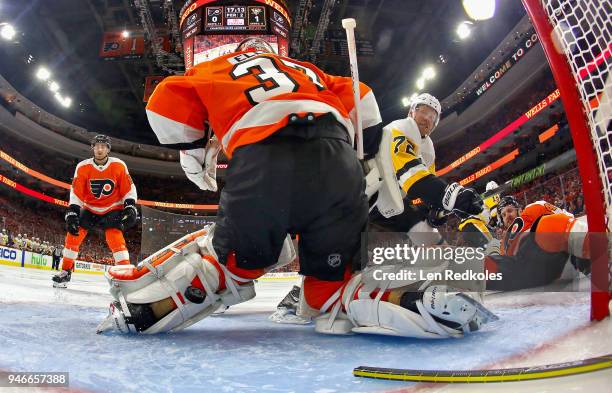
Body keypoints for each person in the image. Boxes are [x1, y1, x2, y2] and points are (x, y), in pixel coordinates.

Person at [98, 37, 494, 338]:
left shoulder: (216, 66)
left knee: (233, 267)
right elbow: (367, 108)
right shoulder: (308, 70)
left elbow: (163, 104)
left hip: (265, 160)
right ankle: (412, 300)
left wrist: (195, 149)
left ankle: (137, 313)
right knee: (330, 293)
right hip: (339, 166)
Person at [52, 135, 138, 288]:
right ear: (92, 148)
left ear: (108, 149)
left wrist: (130, 206)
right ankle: (65, 271)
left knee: (114, 236)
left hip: (113, 207)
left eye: (103, 146)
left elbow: (128, 188)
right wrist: (72, 212)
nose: (99, 149)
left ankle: (124, 274)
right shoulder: (83, 166)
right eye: (97, 146)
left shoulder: (119, 165)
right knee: (73, 235)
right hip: (90, 207)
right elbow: (76, 192)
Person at [484, 196, 591, 290]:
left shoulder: (532, 209)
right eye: (503, 215)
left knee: (547, 224)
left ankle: (596, 253)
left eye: (509, 210)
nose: (507, 215)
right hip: (524, 272)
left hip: (549, 256)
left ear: (519, 210)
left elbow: (565, 217)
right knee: (483, 264)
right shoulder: (503, 242)